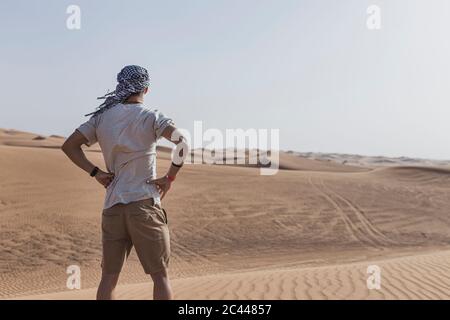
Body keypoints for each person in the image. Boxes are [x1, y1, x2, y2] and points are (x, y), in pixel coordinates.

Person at [62, 65, 186, 300]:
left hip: (113, 207)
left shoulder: (102, 118)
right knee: (160, 276)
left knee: (109, 277)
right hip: (144, 204)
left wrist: (95, 172)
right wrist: (169, 178)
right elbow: (183, 143)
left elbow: (69, 146)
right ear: (146, 89)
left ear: (121, 86)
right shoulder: (150, 116)